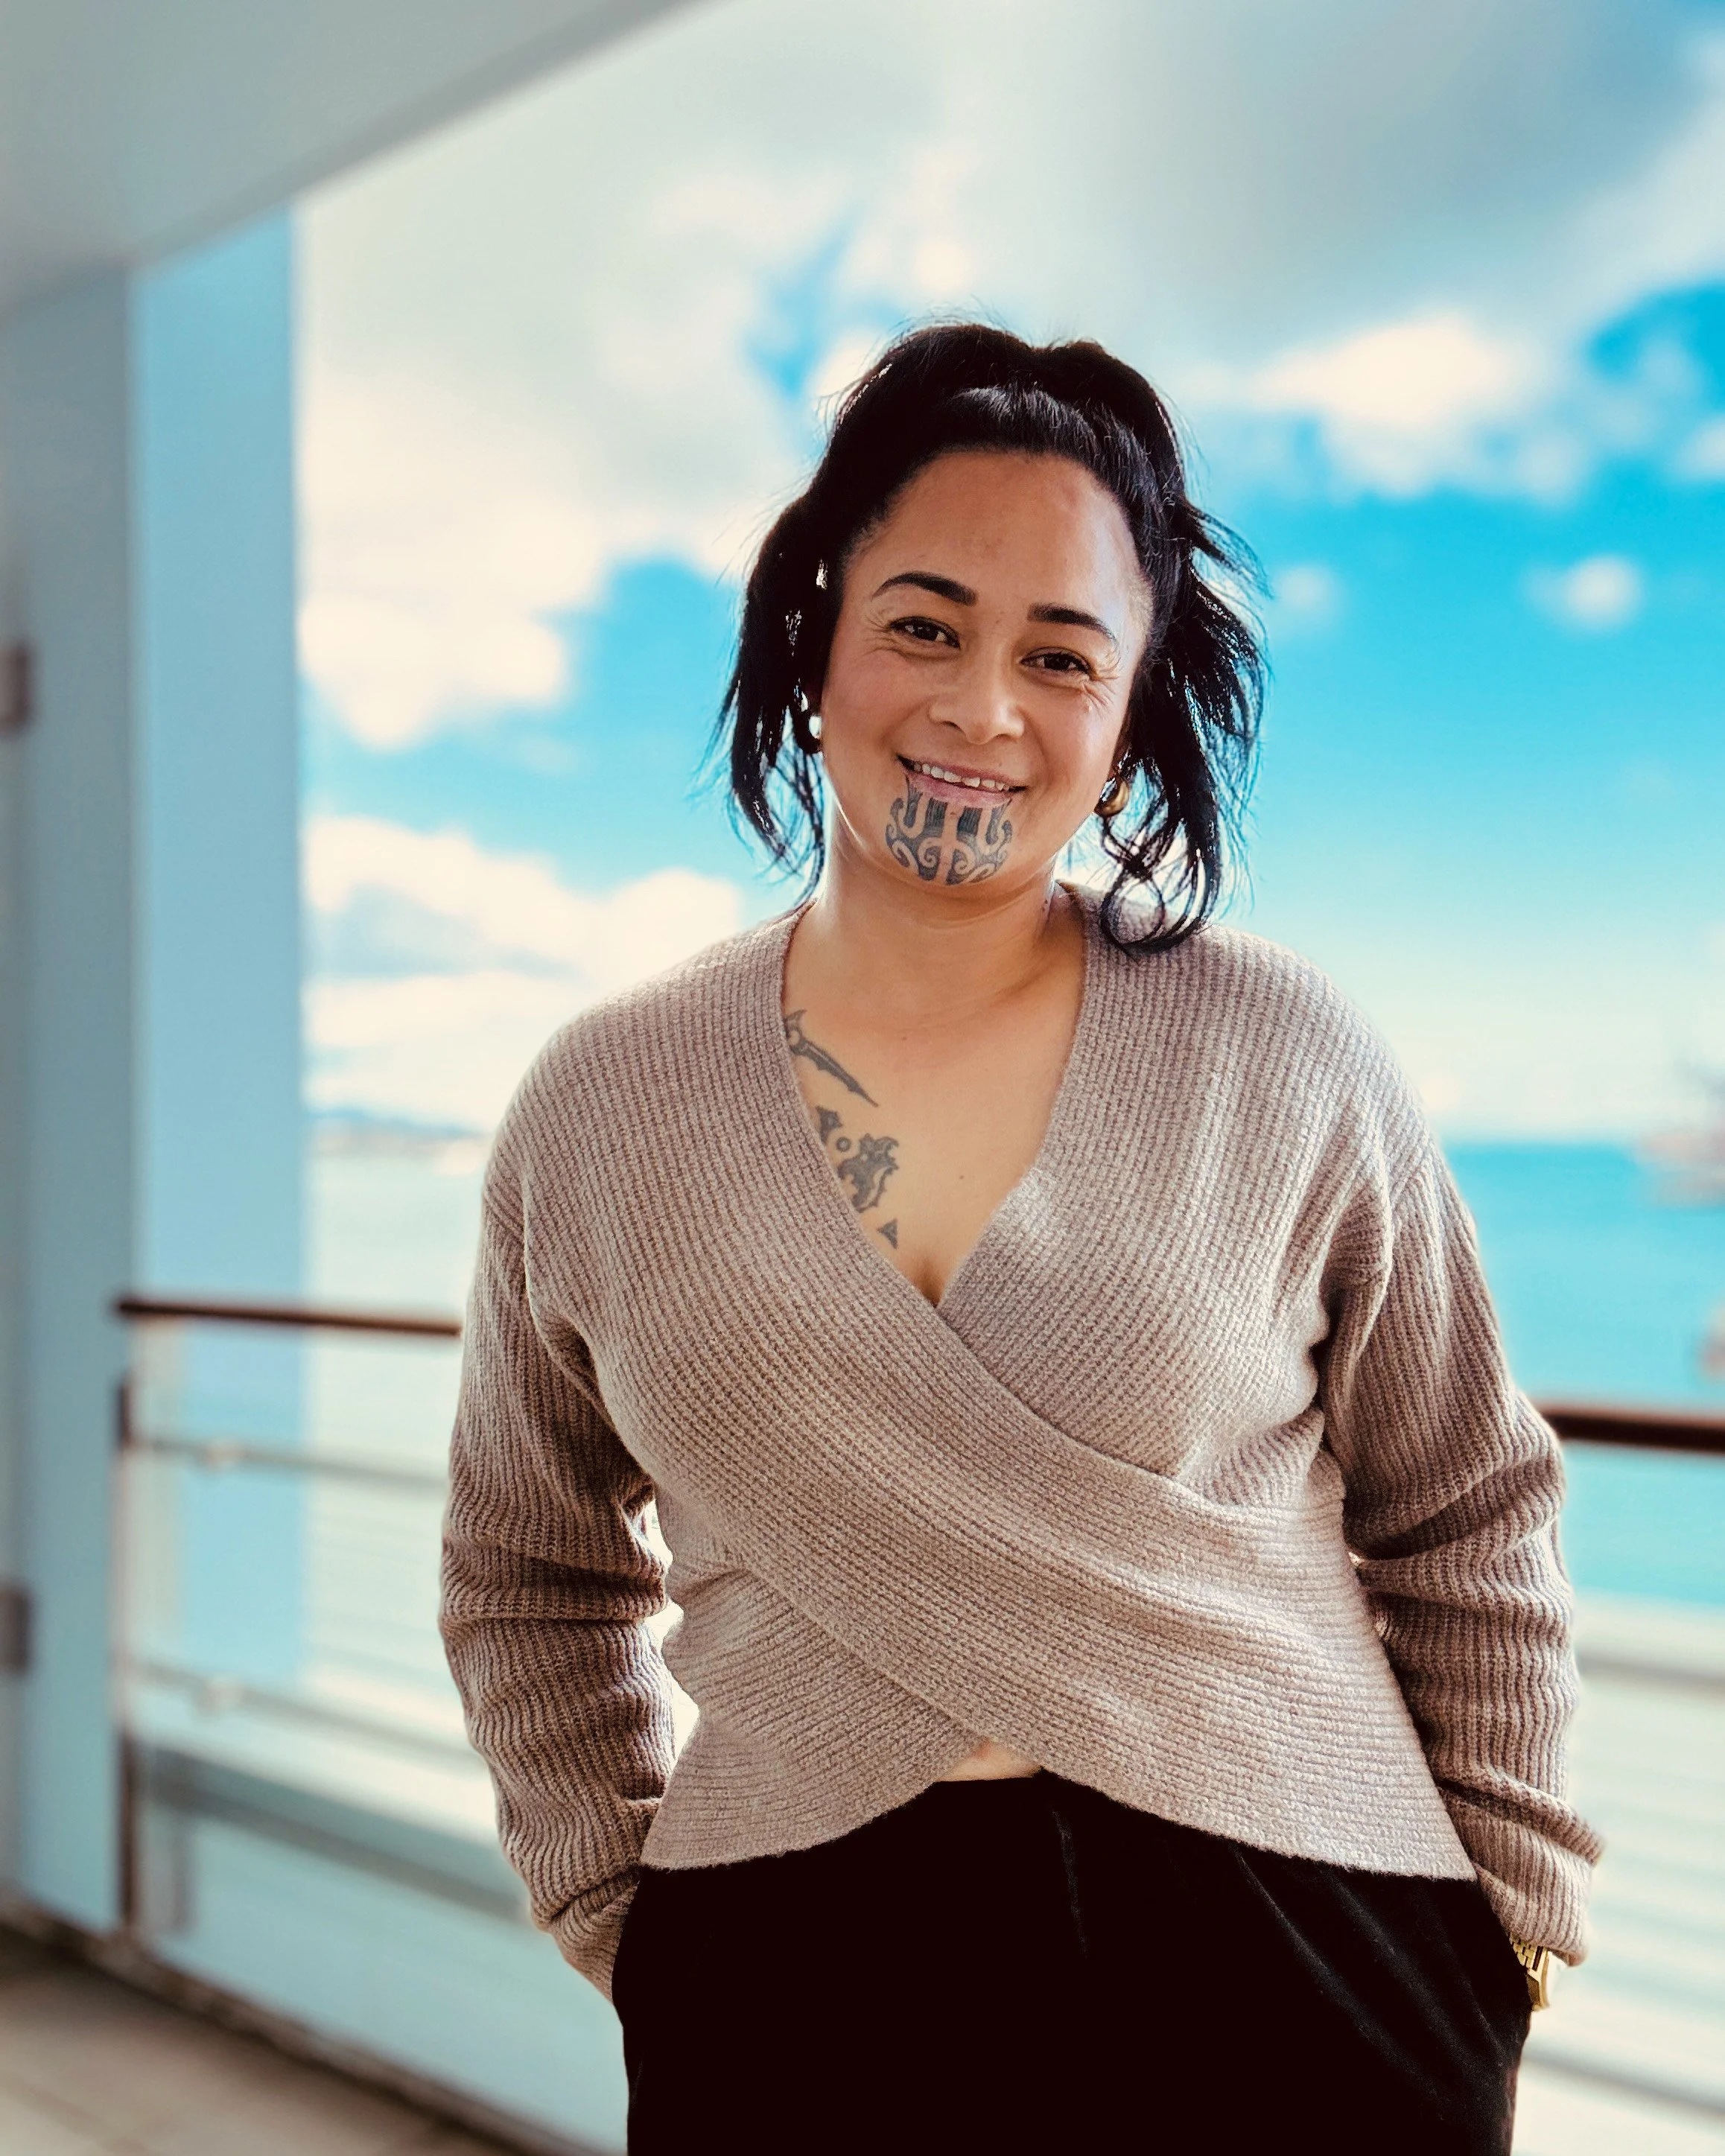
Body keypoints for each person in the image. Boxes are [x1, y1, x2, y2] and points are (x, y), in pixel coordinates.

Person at [439, 324, 1599, 2155]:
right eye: (924, 621)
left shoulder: (1285, 1053)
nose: (984, 708)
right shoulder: (599, 1107)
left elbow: (1463, 1501)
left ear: (1129, 718)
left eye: (1061, 655)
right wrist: (628, 1917)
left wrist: (1509, 1921)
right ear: (814, 635)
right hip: (789, 1984)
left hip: (1313, 1963)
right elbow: (526, 1570)